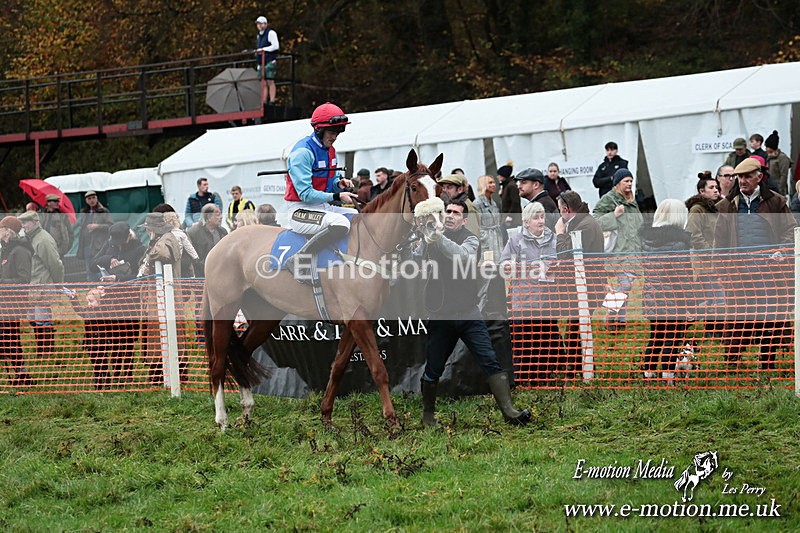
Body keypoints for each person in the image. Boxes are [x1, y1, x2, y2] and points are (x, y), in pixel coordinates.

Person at [416, 199, 530, 427]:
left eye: (456, 213)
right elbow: (415, 257)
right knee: (434, 367)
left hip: (469, 313)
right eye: (447, 211)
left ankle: (509, 412)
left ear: (464, 219)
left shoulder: (471, 239)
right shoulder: (432, 238)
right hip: (441, 317)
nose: (449, 215)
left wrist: (437, 237)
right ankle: (428, 417)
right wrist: (424, 236)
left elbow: (461, 256)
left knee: (489, 360)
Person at [714, 157, 796, 370]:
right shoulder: (726, 206)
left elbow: (789, 231)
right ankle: (732, 361)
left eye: (748, 176)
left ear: (759, 177)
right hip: (738, 273)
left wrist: (781, 250)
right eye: (740, 177)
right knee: (738, 320)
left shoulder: (777, 202)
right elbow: (719, 242)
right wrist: (721, 270)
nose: (743, 181)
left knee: (770, 319)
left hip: (768, 272)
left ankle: (767, 362)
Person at [282, 102, 358, 279]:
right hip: (299, 210)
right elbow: (306, 194)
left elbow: (330, 183)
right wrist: (337, 195)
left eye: (338, 132)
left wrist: (339, 184)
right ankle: (299, 258)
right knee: (341, 223)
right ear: (319, 129)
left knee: (356, 216)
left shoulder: (331, 151)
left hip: (321, 206)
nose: (335, 137)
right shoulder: (302, 153)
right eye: (332, 132)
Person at [499, 202, 564, 385]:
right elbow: (504, 265)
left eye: (542, 216)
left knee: (546, 337)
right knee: (525, 339)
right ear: (526, 222)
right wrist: (518, 267)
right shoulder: (515, 240)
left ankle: (544, 374)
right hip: (524, 298)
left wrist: (558, 267)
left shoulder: (553, 239)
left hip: (547, 298)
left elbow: (562, 260)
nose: (540, 221)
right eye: (536, 217)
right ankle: (524, 375)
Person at [639, 199, 696, 384]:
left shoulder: (647, 240)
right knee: (673, 338)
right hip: (673, 300)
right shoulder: (678, 243)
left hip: (652, 297)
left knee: (655, 336)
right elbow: (683, 278)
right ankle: (668, 376)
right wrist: (690, 303)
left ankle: (648, 373)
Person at [554, 191, 605, 374]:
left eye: (560, 210)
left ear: (566, 209)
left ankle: (579, 366)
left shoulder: (584, 226)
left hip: (587, 286)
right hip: (584, 284)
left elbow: (566, 254)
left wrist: (559, 233)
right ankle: (579, 365)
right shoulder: (583, 222)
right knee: (576, 325)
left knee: (577, 327)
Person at [592, 168, 643, 329]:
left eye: (631, 181)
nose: (629, 184)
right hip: (617, 252)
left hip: (632, 251)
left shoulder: (631, 201)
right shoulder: (609, 199)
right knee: (625, 284)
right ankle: (610, 315)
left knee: (627, 286)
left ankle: (619, 321)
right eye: (626, 181)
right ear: (617, 183)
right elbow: (595, 220)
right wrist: (613, 215)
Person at [18, 210, 64, 360]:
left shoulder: (43, 239)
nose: (23, 226)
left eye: (25, 223)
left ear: (35, 222)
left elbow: (55, 264)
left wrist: (58, 284)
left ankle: (46, 351)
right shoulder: (32, 238)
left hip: (42, 285)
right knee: (35, 318)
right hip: (35, 285)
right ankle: (43, 350)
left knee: (42, 318)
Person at [0, 216, 35, 386]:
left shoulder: (20, 251)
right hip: (4, 303)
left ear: (8, 231)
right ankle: (21, 374)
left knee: (11, 339)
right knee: (8, 339)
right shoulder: (6, 250)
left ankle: (22, 375)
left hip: (13, 304)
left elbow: (24, 279)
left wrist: (2, 283)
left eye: (1, 228)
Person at [77, 191, 113, 281]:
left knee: (100, 270)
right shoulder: (84, 213)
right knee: (89, 272)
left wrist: (98, 226)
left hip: (99, 247)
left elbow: (111, 226)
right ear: (86, 201)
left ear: (97, 199)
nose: (92, 200)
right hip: (86, 246)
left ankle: (102, 290)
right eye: (89, 199)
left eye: (93, 198)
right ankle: (92, 292)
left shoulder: (104, 211)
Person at [187, 204, 228, 278]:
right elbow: (191, 257)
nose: (221, 217)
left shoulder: (223, 232)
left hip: (221, 274)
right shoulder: (193, 233)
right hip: (201, 276)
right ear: (208, 217)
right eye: (217, 215)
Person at [437, 173, 480, 238]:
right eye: (444, 188)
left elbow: (473, 235)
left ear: (460, 189)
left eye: (449, 187)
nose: (445, 190)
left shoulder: (468, 207)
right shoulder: (452, 204)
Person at [473, 175, 504, 262]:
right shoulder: (477, 203)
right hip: (486, 240)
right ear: (483, 184)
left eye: (494, 182)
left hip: (496, 238)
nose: (493, 185)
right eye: (490, 183)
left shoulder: (493, 202)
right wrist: (484, 237)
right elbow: (476, 225)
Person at [255, 15, 280, 104]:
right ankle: (264, 101)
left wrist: (263, 50)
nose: (259, 26)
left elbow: (276, 46)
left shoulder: (271, 33)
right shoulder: (258, 36)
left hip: (270, 60)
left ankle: (272, 100)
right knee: (263, 82)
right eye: (258, 24)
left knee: (270, 80)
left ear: (265, 24)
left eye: (261, 24)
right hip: (261, 62)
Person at [764, 130, 793, 197]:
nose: (766, 149)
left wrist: (780, 190)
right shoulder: (768, 157)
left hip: (778, 189)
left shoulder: (782, 158)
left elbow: (783, 175)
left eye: (767, 147)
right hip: (769, 187)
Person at [497, 162, 521, 227]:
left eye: (499, 175)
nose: (497, 177)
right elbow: (507, 200)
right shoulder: (506, 185)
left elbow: (515, 202)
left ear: (503, 175)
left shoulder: (511, 186)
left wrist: (510, 215)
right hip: (508, 216)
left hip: (512, 219)